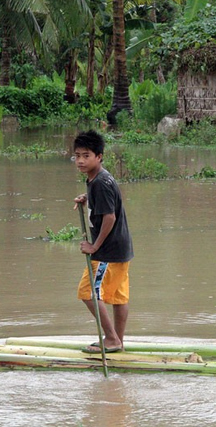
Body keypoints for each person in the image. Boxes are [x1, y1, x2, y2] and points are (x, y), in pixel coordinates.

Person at [73, 130, 133, 353]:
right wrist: (87, 198)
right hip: (121, 248)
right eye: (77, 155)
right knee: (118, 297)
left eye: (86, 155)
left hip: (107, 252)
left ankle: (111, 339)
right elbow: (109, 202)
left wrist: (94, 246)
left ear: (99, 156)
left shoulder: (100, 182)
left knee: (87, 292)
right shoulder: (98, 178)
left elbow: (110, 216)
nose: (80, 160)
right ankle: (118, 341)